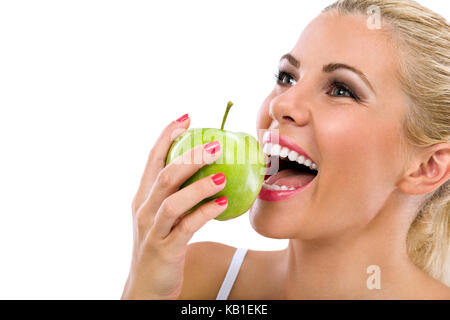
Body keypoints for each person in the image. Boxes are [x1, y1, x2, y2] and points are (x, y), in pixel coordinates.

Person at [121, 0, 450, 299]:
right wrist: (143, 283)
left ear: (427, 167)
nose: (281, 103)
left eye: (340, 89)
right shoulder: (199, 277)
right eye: (287, 77)